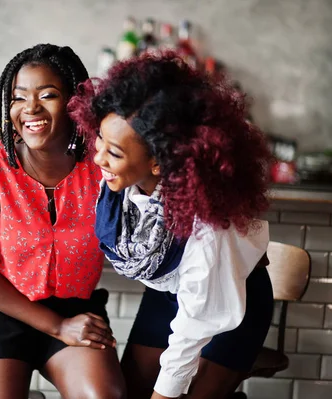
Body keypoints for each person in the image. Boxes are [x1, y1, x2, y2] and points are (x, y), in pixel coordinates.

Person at [68, 52, 273, 399]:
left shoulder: (206, 224)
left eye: (114, 152)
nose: (99, 157)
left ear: (159, 163)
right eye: (100, 140)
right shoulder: (119, 182)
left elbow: (194, 324)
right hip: (169, 296)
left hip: (230, 298)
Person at [0, 43, 126, 399]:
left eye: (47, 95)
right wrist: (56, 325)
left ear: (75, 103)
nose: (30, 108)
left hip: (75, 308)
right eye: (18, 97)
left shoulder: (102, 165)